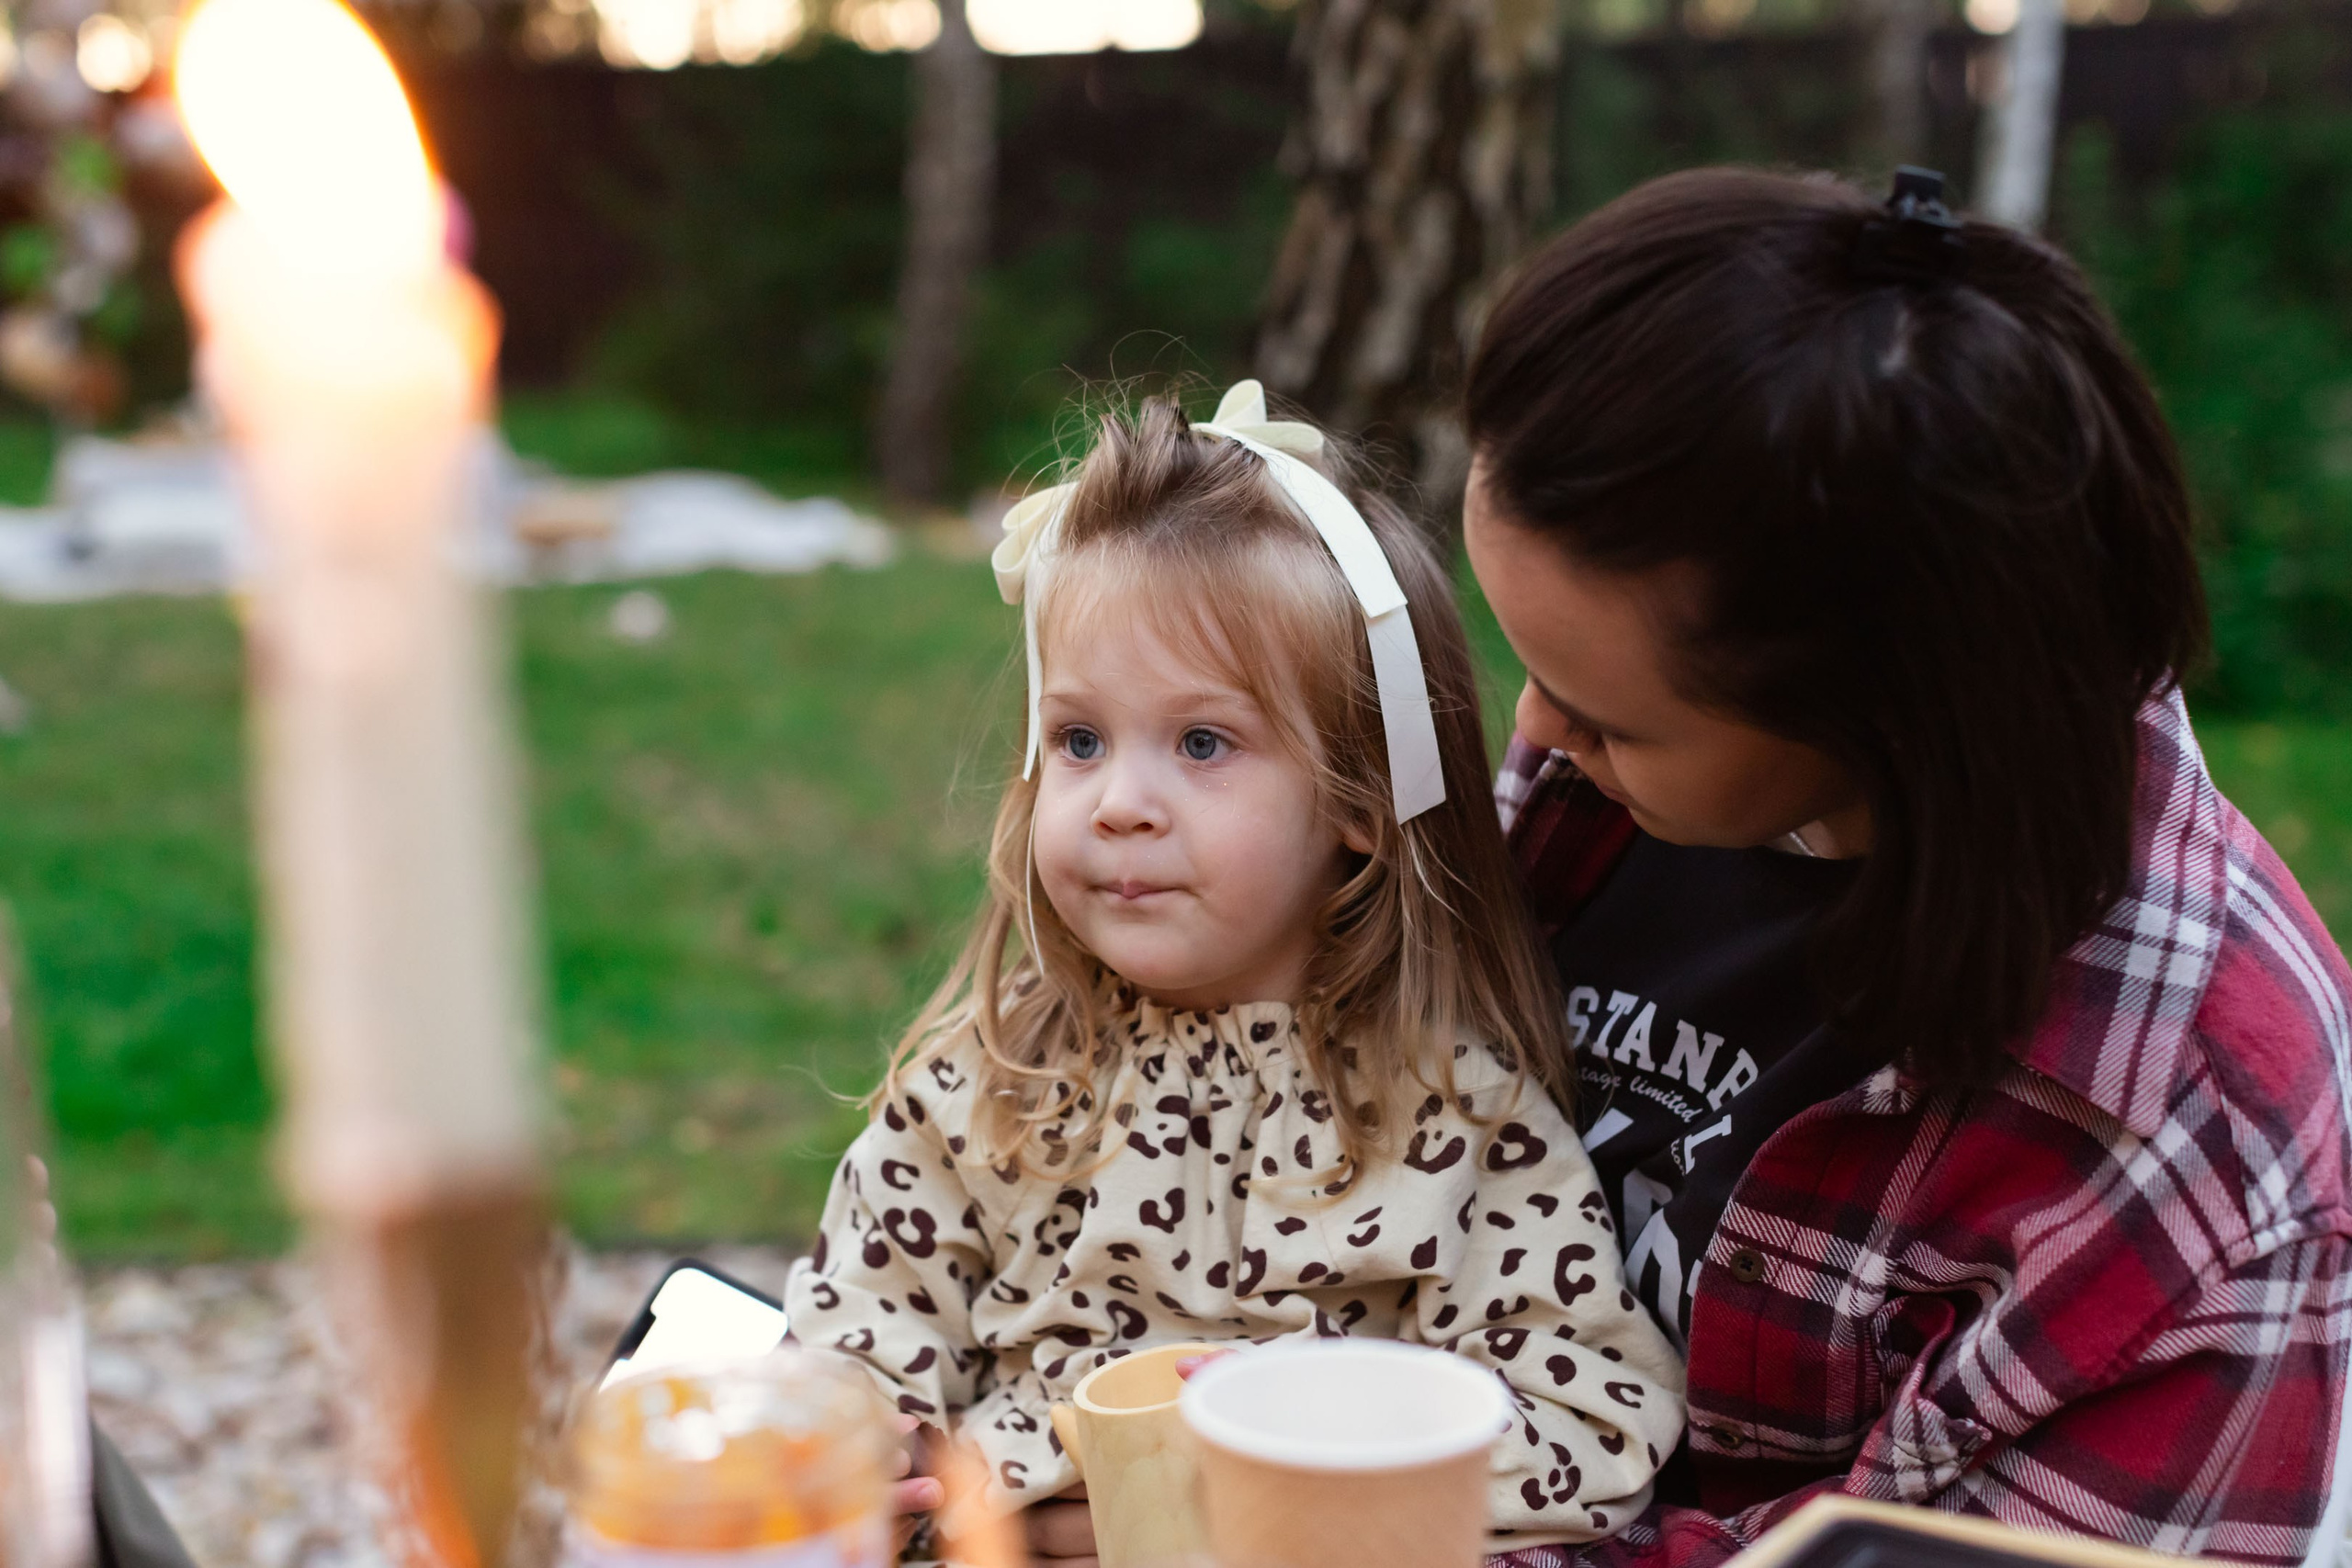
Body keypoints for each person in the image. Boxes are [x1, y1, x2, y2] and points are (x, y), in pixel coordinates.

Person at [1460, 166, 2352, 1566]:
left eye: (1607, 713)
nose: (1533, 732)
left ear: (1894, 717)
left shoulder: (2200, 1169)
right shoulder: (1608, 776)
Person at [786, 383, 1683, 1551]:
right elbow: (857, 1329)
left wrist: (1228, 1483)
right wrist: (866, 1443)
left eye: (1202, 743)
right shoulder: (987, 1084)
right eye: (1078, 739)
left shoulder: (1454, 1120)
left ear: (1359, 798)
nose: (1118, 805)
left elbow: (1593, 1433)